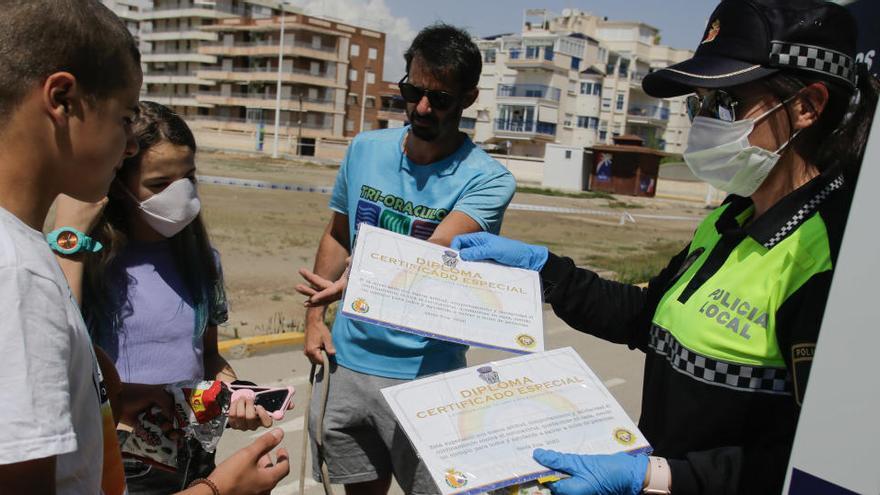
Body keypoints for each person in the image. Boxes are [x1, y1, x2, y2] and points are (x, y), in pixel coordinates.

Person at [452, 1, 879, 494]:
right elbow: (647, 317)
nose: (704, 124)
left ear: (807, 106)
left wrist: (654, 476)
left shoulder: (832, 264)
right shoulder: (729, 217)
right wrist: (548, 272)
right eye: (699, 105)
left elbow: (811, 458)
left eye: (726, 104)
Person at [0, 1, 288, 493]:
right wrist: (220, 490)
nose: (129, 145)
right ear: (63, 99)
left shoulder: (22, 258)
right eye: (125, 116)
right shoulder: (20, 274)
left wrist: (123, 395)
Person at [295, 23, 516, 495]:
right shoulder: (364, 150)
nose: (421, 107)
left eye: (439, 99)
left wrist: (357, 279)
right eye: (412, 91)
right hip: (347, 367)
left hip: (426, 378)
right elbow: (338, 234)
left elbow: (429, 259)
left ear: (469, 98)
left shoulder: (489, 180)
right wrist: (315, 316)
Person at [56, 100, 278, 493]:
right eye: (160, 184)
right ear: (118, 185)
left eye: (188, 177)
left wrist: (234, 393)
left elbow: (207, 356)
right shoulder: (85, 263)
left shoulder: (202, 261)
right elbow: (60, 358)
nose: (179, 195)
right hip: (124, 456)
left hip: (194, 453)